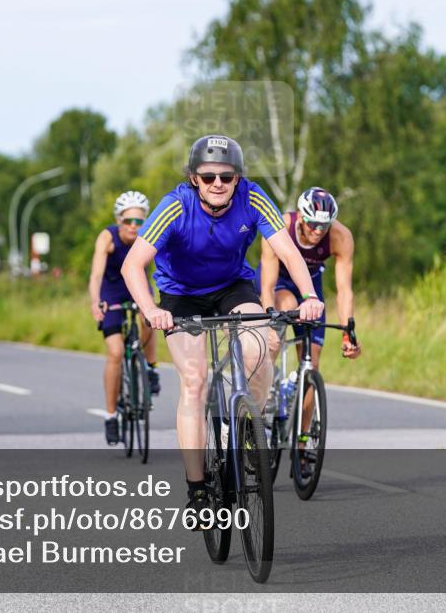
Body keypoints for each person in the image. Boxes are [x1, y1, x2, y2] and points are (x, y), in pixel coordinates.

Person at [121, 135, 324, 522]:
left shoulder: (252, 197)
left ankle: (249, 427)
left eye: (226, 176)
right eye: (208, 175)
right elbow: (133, 265)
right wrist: (150, 309)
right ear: (194, 177)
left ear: (237, 178)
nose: (218, 183)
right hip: (180, 296)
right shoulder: (175, 205)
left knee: (260, 345)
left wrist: (310, 295)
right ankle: (197, 489)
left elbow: (287, 250)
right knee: (195, 380)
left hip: (232, 287)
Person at [259, 186, 362, 369]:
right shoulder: (281, 227)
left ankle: (303, 387)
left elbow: (345, 291)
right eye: (313, 224)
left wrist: (347, 334)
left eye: (324, 225)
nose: (318, 231)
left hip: (311, 286)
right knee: (286, 307)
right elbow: (267, 286)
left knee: (311, 363)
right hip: (278, 280)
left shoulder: (341, 237)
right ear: (300, 216)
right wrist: (269, 325)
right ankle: (266, 380)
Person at [89, 191, 162, 445]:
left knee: (150, 318)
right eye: (128, 221)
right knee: (116, 352)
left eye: (139, 221)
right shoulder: (107, 238)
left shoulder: (148, 235)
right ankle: (111, 416)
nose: (134, 226)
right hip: (111, 291)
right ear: (119, 220)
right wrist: (95, 301)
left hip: (137, 285)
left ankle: (151, 368)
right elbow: (96, 275)